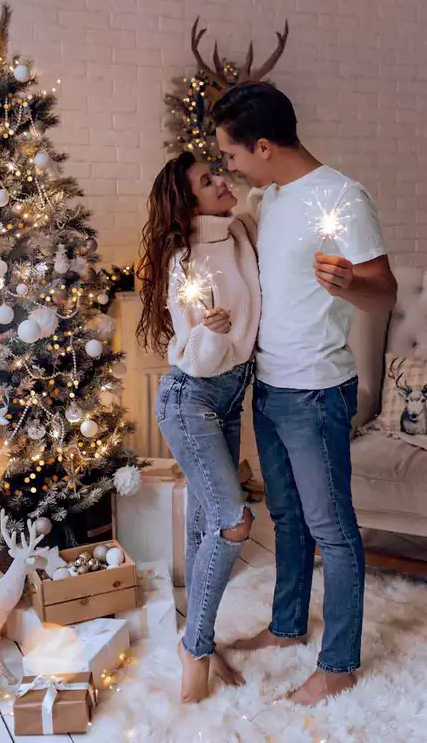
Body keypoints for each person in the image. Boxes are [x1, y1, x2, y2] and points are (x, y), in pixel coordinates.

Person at [212, 82, 397, 706]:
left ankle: (339, 663)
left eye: (232, 155)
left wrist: (349, 283)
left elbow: (385, 291)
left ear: (263, 146)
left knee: (333, 530)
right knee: (286, 518)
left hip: (316, 391)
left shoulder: (343, 197)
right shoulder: (273, 198)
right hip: (269, 384)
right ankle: (288, 627)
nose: (229, 167)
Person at [136, 152, 261, 703]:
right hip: (193, 398)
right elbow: (192, 356)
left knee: (206, 522)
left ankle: (194, 634)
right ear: (188, 204)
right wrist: (211, 334)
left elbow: (264, 191)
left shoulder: (237, 236)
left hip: (230, 398)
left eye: (219, 172)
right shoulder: (185, 260)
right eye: (208, 181)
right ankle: (197, 649)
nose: (222, 181)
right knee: (234, 523)